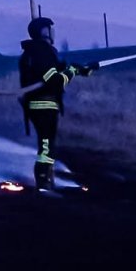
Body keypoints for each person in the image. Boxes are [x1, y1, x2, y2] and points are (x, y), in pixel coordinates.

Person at [19, 17, 97, 191]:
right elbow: (54, 81)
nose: (53, 32)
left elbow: (55, 71)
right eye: (49, 28)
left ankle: (46, 180)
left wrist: (80, 69)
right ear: (44, 32)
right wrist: (71, 71)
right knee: (46, 146)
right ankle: (43, 183)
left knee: (47, 145)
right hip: (43, 105)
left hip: (40, 104)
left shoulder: (34, 52)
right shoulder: (41, 51)